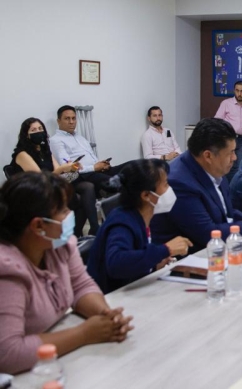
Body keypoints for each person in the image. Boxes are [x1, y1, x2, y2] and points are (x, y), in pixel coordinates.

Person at [0, 172, 133, 374]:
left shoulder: (57, 246)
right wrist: (84, 333)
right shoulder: (7, 271)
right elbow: (8, 354)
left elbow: (80, 285)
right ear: (38, 225)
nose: (70, 214)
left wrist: (106, 317)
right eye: (63, 210)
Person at [150, 118, 242, 253]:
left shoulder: (214, 168)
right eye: (230, 153)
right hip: (186, 261)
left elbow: (222, 211)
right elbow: (208, 234)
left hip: (216, 251)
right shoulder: (179, 182)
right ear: (208, 156)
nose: (235, 158)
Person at [87, 159, 193, 294]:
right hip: (110, 299)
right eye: (165, 184)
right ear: (146, 195)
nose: (169, 189)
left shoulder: (143, 217)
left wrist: (154, 264)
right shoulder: (122, 222)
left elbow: (135, 259)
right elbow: (116, 263)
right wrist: (166, 249)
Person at [10, 117, 100, 236]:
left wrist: (70, 168)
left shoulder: (45, 150)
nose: (38, 132)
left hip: (51, 186)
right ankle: (74, 234)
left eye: (40, 128)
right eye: (33, 130)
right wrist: (62, 169)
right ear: (26, 135)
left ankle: (86, 231)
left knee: (87, 187)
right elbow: (40, 179)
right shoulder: (22, 154)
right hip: (35, 192)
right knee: (77, 198)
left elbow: (58, 172)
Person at [50, 105, 128, 195]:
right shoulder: (56, 140)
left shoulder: (80, 138)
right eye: (67, 119)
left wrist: (102, 165)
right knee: (116, 182)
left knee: (131, 168)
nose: (71, 122)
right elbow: (68, 168)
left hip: (96, 170)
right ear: (58, 121)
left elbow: (92, 158)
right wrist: (93, 168)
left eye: (73, 118)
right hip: (82, 175)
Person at [214, 81, 242, 181]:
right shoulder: (226, 103)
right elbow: (217, 120)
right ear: (234, 90)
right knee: (228, 165)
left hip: (241, 140)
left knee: (241, 165)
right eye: (237, 91)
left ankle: (235, 190)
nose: (239, 94)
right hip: (228, 139)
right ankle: (228, 190)